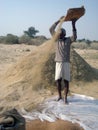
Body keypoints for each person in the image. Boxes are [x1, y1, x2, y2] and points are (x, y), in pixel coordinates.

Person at [49, 16, 77, 104]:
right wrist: (59, 21)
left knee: (66, 80)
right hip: (58, 62)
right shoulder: (56, 40)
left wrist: (73, 24)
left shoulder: (68, 40)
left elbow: (75, 36)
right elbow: (51, 29)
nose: (59, 34)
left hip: (66, 63)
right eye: (58, 33)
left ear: (64, 34)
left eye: (61, 33)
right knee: (58, 80)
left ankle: (65, 97)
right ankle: (59, 96)